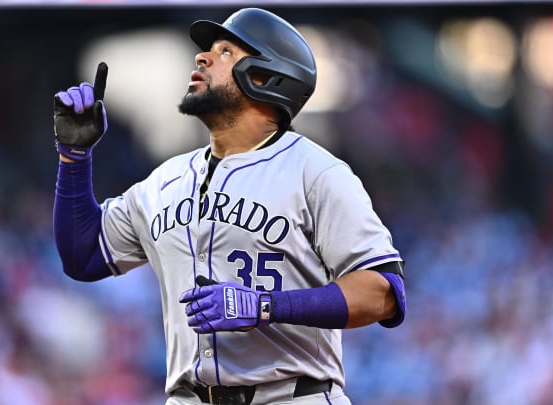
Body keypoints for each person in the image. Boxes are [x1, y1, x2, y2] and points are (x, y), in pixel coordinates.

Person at [52, 7, 406, 405]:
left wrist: (266, 306)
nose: (201, 57)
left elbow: (383, 293)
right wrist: (74, 159)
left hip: (292, 396)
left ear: (264, 77)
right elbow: (83, 255)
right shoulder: (163, 181)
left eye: (224, 52)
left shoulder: (317, 172)